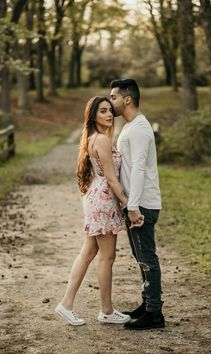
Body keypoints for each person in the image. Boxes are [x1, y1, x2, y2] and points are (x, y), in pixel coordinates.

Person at [55, 96, 141, 326]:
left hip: (95, 198)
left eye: (110, 110)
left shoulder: (92, 138)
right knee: (107, 256)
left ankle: (66, 304)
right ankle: (106, 310)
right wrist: (129, 205)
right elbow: (112, 180)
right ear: (93, 115)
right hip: (103, 200)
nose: (109, 114)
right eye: (103, 111)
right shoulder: (101, 140)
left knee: (89, 252)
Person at [110, 79, 165, 330]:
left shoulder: (140, 128)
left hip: (141, 204)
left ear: (127, 99)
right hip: (134, 203)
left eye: (114, 97)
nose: (111, 102)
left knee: (147, 258)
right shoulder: (131, 127)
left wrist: (133, 207)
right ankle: (147, 304)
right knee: (139, 256)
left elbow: (139, 169)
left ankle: (155, 314)